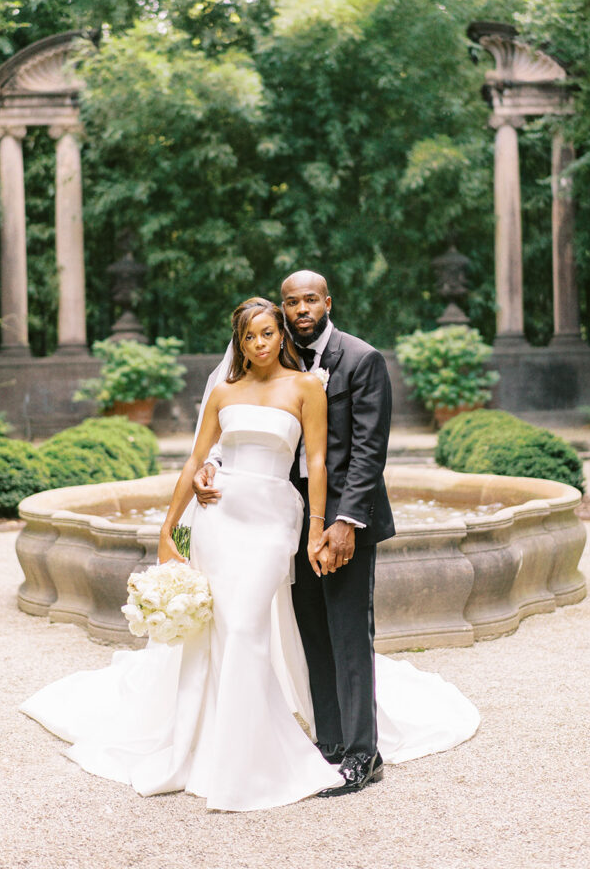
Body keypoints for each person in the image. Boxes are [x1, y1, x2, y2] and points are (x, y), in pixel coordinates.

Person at [20, 297, 479, 812]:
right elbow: (199, 456)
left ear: (281, 335)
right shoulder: (223, 390)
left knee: (244, 626)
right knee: (223, 628)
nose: (259, 343)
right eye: (249, 337)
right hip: (221, 519)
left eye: (267, 333)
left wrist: (317, 529)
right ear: (238, 343)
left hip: (271, 523)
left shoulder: (306, 386)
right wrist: (168, 529)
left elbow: (319, 463)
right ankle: (213, 742)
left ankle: (248, 759)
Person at [194, 271, 394, 796]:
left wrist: (343, 524)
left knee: (349, 634)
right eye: (291, 302)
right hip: (283, 520)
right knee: (312, 633)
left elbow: (369, 453)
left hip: (342, 518)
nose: (301, 308)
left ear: (328, 302)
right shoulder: (275, 361)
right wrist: (212, 465)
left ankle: (362, 755)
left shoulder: (361, 360)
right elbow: (238, 429)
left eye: (310, 299)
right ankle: (329, 742)